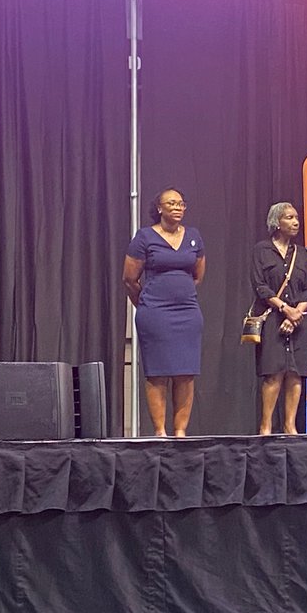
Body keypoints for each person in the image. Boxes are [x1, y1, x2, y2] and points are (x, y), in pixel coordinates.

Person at [123, 187, 205, 437]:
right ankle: (160, 432)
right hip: (155, 313)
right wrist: (148, 304)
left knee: (186, 372)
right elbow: (130, 279)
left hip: (187, 313)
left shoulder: (193, 236)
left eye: (181, 203)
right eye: (172, 203)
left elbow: (197, 276)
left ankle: (180, 432)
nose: (178, 207)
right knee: (158, 373)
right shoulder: (145, 237)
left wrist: (179, 293)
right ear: (159, 208)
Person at [249, 202, 307, 435]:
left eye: (297, 217)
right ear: (277, 222)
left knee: (296, 374)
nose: (296, 222)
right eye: (289, 217)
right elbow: (260, 286)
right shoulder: (262, 250)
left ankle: (290, 425)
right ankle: (266, 426)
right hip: (273, 319)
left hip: (299, 320)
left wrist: (296, 314)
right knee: (273, 373)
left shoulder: (302, 253)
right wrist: (286, 309)